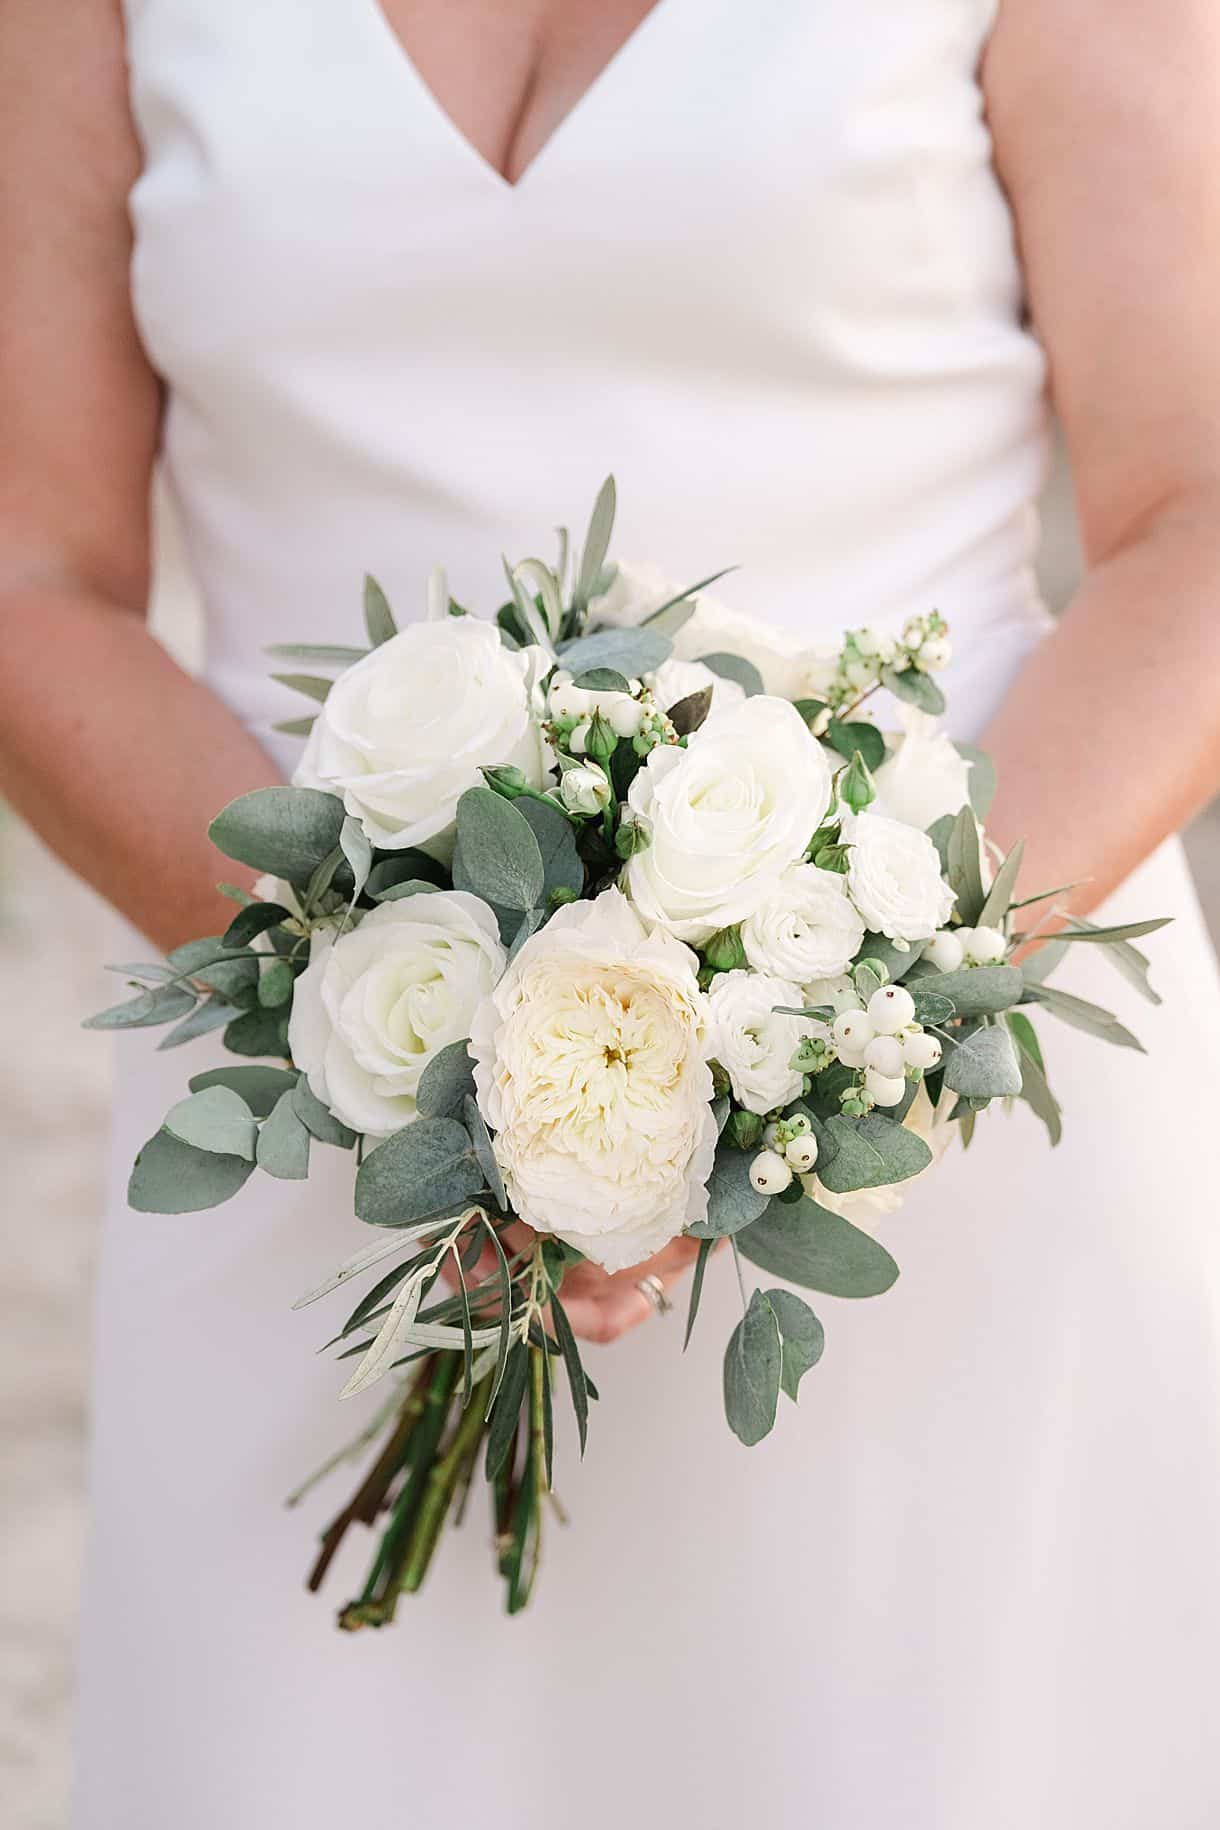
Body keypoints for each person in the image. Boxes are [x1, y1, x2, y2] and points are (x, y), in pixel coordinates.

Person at [3, 2, 1219, 1824]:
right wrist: (402, 1033)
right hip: (324, 1163)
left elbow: (1194, 513)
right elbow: (34, 573)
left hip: (922, 1163)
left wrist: (825, 1043)